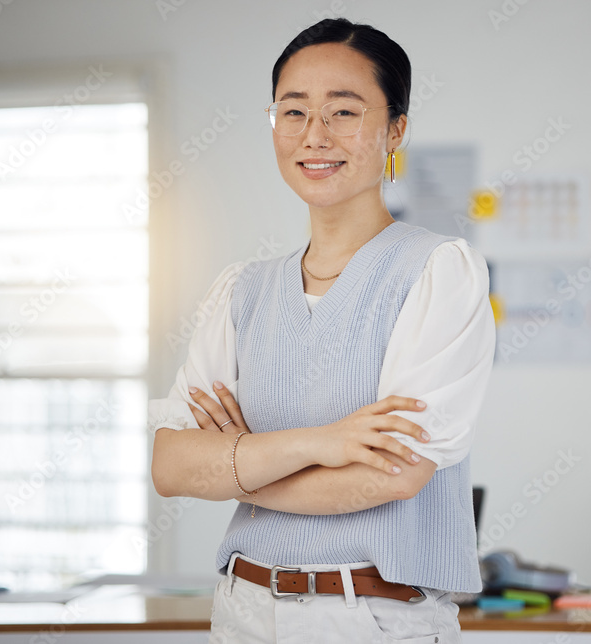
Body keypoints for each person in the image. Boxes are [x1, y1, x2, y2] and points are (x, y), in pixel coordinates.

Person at [147, 17, 495, 643]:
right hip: (242, 609)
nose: (314, 136)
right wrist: (322, 444)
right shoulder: (242, 291)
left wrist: (239, 463)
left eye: (343, 111)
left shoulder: (440, 271)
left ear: (396, 129)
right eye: (293, 111)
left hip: (374, 617)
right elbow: (171, 466)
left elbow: (394, 474)